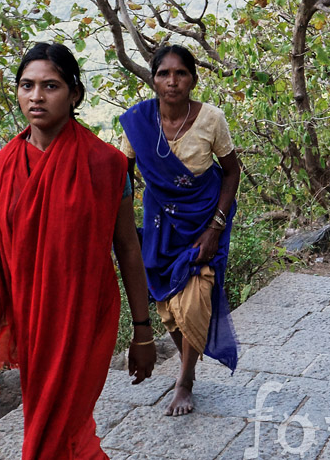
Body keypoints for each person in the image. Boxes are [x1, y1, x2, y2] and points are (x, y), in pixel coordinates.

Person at [0, 42, 157, 459]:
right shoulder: (3, 166)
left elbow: (127, 249)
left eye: (50, 86)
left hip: (85, 319)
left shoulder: (106, 164)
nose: (36, 96)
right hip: (32, 323)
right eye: (27, 85)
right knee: (63, 437)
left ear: (74, 94)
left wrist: (142, 330)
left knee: (51, 438)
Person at [119, 44, 240, 417]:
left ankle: (184, 380)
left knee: (196, 298)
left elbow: (232, 170)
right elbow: (123, 175)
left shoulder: (211, 119)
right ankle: (188, 364)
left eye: (181, 73)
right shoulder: (138, 122)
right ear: (153, 79)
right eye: (164, 74)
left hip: (204, 221)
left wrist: (216, 228)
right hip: (159, 228)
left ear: (193, 78)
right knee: (170, 308)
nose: (172, 82)